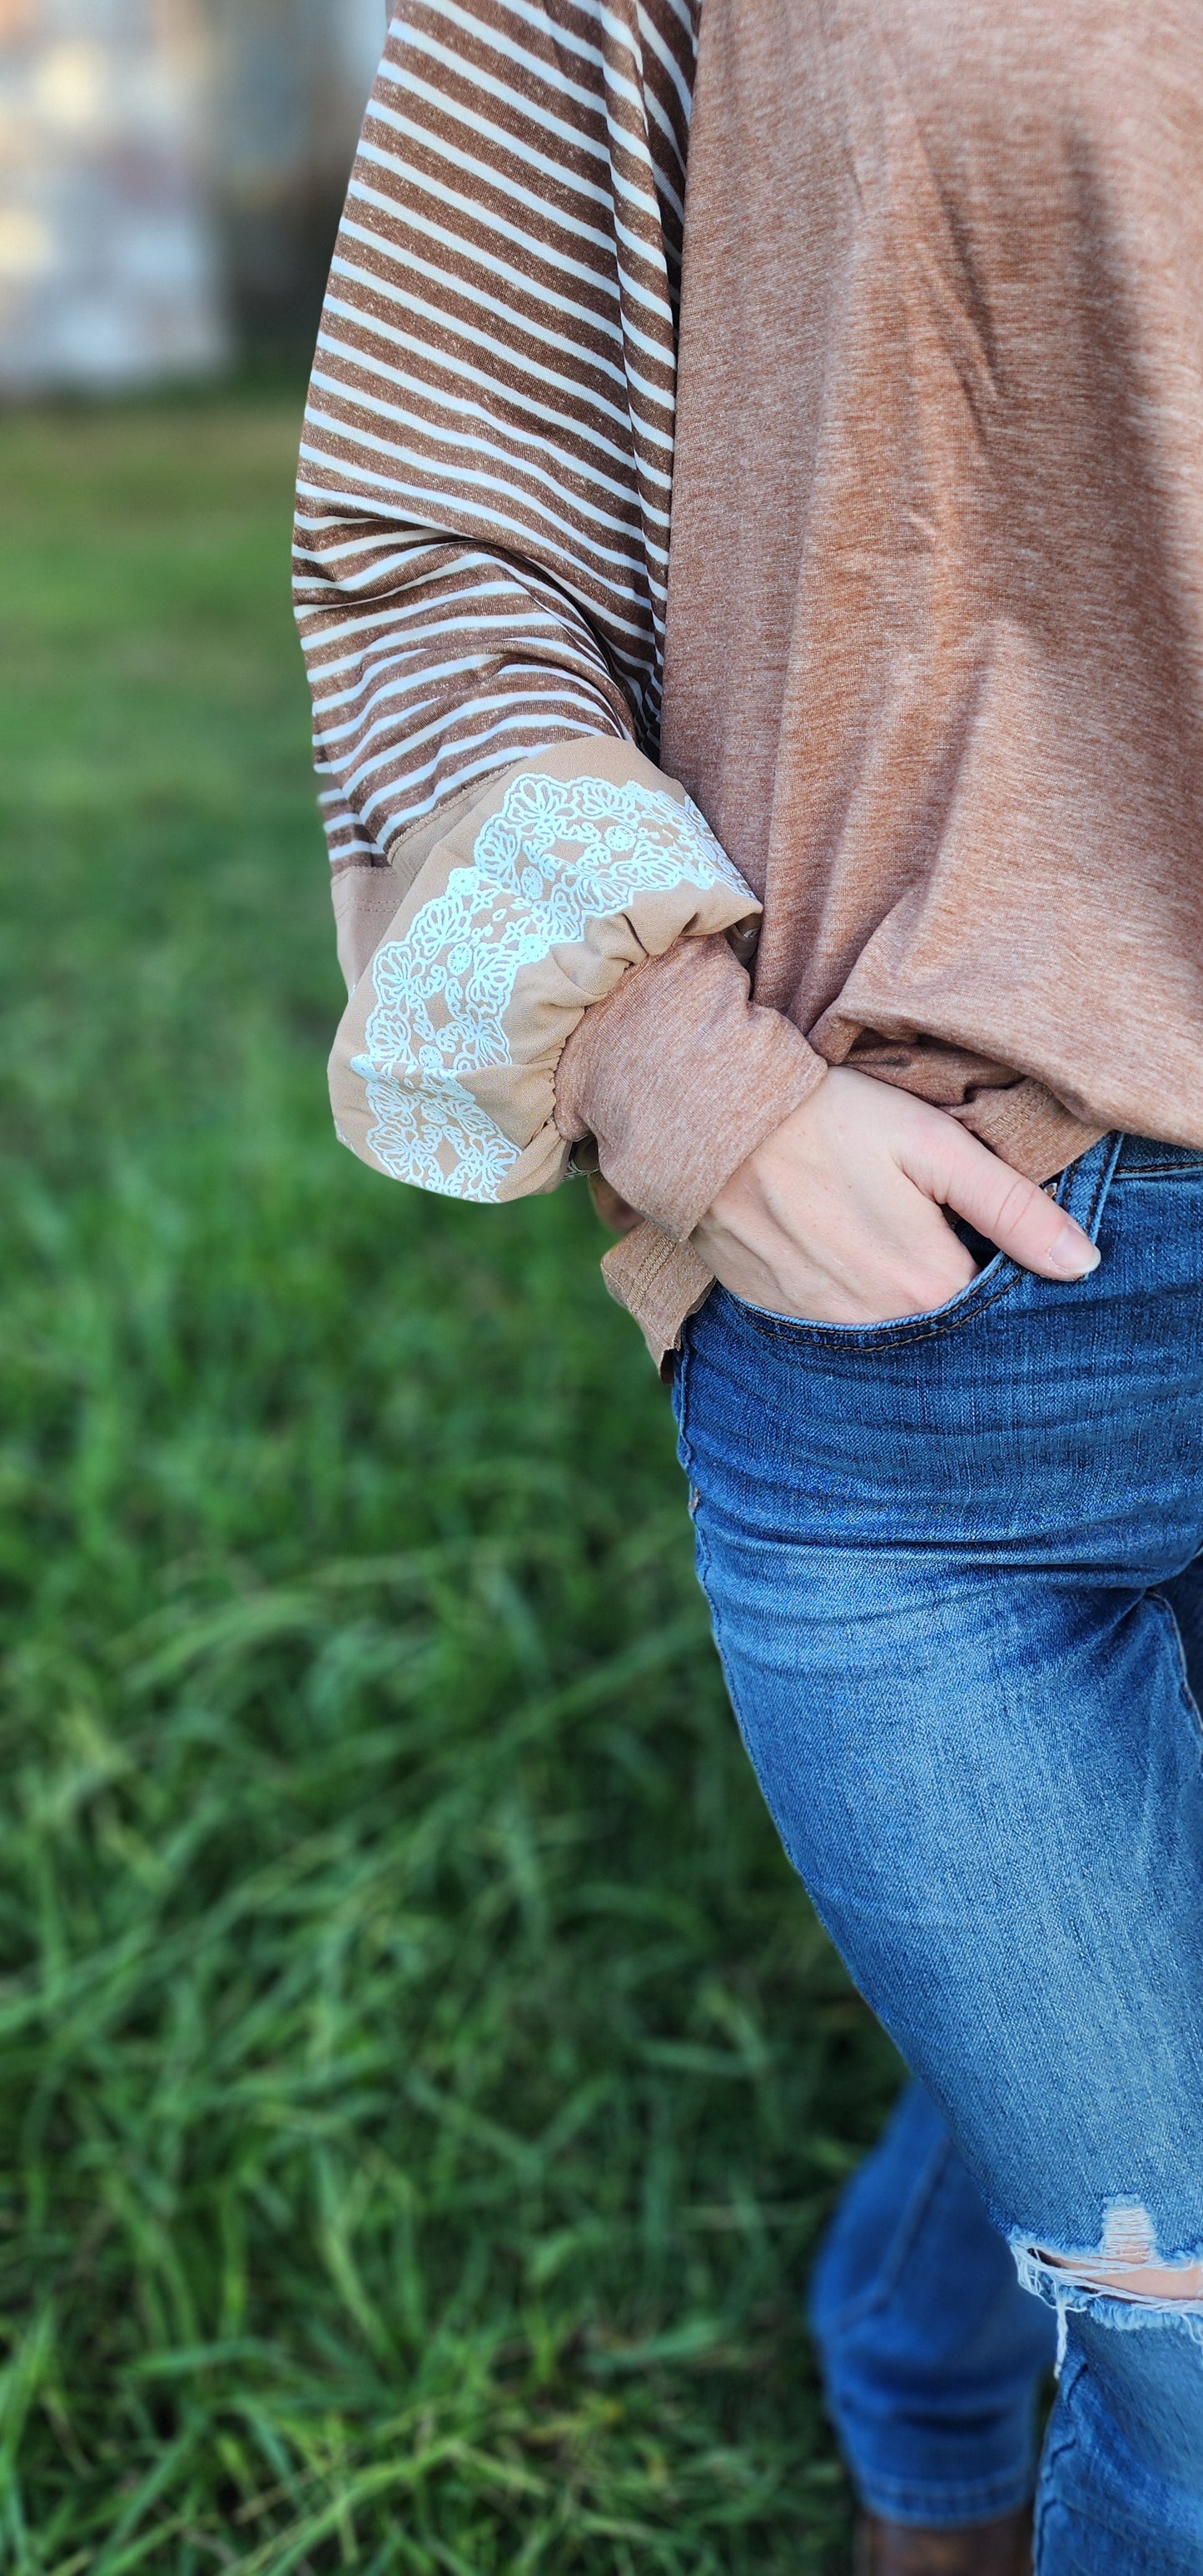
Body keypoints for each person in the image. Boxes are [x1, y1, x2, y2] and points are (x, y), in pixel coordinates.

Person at [292, 3, 1203, 2566]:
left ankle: (925, 2352)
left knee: (1123, 2004)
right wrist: (698, 1088)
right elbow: (434, 512)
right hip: (963, 1323)